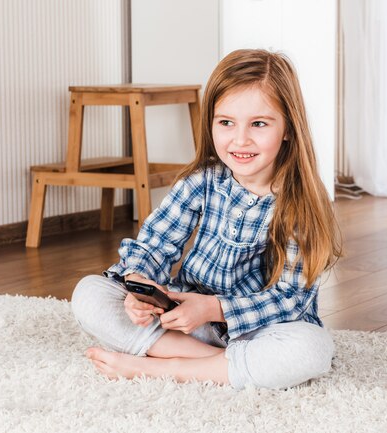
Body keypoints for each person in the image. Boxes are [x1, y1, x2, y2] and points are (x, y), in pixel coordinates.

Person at [71, 49, 342, 390]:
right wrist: (137, 288)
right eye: (226, 122)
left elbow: (288, 299)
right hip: (186, 319)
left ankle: (163, 367)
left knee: (312, 350)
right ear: (210, 122)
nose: (240, 139)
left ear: (288, 128)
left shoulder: (301, 201)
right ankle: (214, 365)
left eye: (259, 124)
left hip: (259, 328)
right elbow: (154, 246)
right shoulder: (202, 181)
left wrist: (213, 308)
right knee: (89, 293)